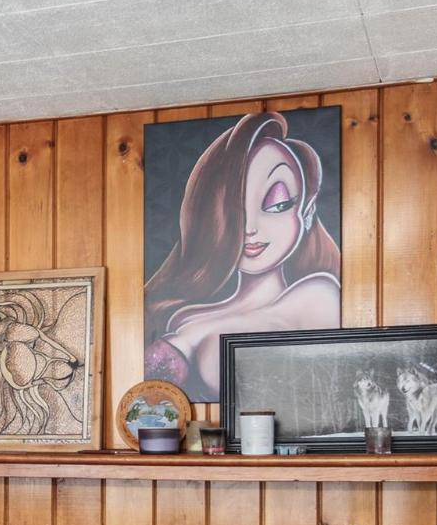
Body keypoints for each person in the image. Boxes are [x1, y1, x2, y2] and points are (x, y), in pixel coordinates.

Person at [144, 112, 340, 400]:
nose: (250, 228)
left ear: (307, 210)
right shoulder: (185, 316)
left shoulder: (319, 293)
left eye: (277, 204)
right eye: (234, 211)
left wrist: (196, 334)